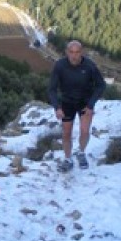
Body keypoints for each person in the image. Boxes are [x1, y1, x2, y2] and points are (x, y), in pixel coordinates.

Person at [48, 39, 106, 172]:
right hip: (67, 103)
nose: (74, 55)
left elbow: (101, 85)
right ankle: (68, 159)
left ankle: (81, 152)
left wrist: (91, 105)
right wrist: (57, 107)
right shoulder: (60, 66)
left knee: (85, 131)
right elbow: (52, 89)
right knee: (66, 133)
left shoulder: (89, 66)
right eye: (71, 52)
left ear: (82, 52)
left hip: (85, 103)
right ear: (67, 52)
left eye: (77, 52)